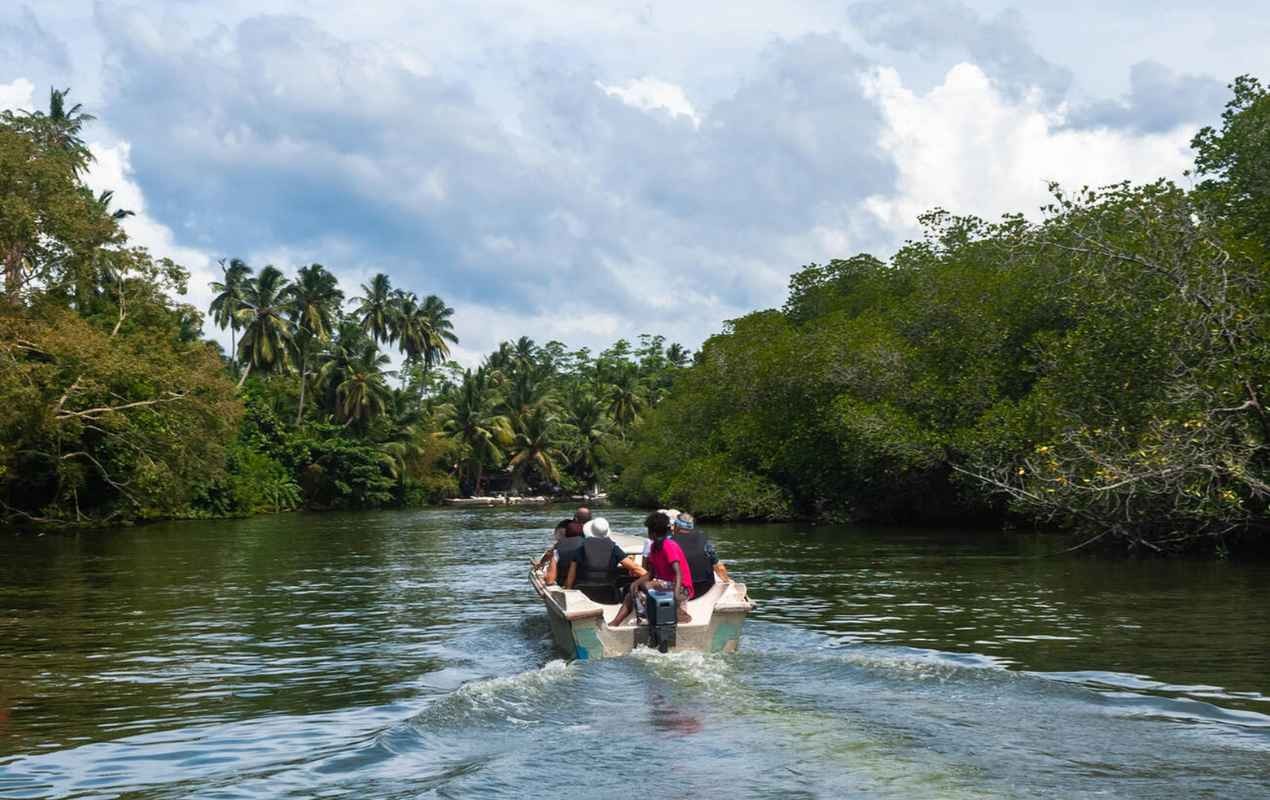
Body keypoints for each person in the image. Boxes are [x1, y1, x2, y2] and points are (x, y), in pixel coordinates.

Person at [610, 511, 693, 626]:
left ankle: (676, 611)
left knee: (646, 585)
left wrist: (675, 597)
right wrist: (635, 583)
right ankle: (616, 622)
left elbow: (678, 573)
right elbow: (651, 573)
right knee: (632, 591)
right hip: (665, 585)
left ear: (652, 533)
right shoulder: (654, 547)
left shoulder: (668, 546)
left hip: (681, 588)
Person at [567, 517, 645, 601]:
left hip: (584, 593)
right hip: (608, 594)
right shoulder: (614, 549)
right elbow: (635, 568)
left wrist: (568, 590)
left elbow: (571, 576)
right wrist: (652, 578)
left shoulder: (580, 549)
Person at [672, 512, 729, 598]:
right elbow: (719, 568)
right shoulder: (704, 539)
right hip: (706, 589)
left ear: (676, 526)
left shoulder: (670, 543)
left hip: (683, 590)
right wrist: (727, 581)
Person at [545, 520, 586, 585]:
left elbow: (549, 580)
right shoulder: (588, 545)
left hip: (564, 582)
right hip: (584, 583)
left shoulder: (559, 546)